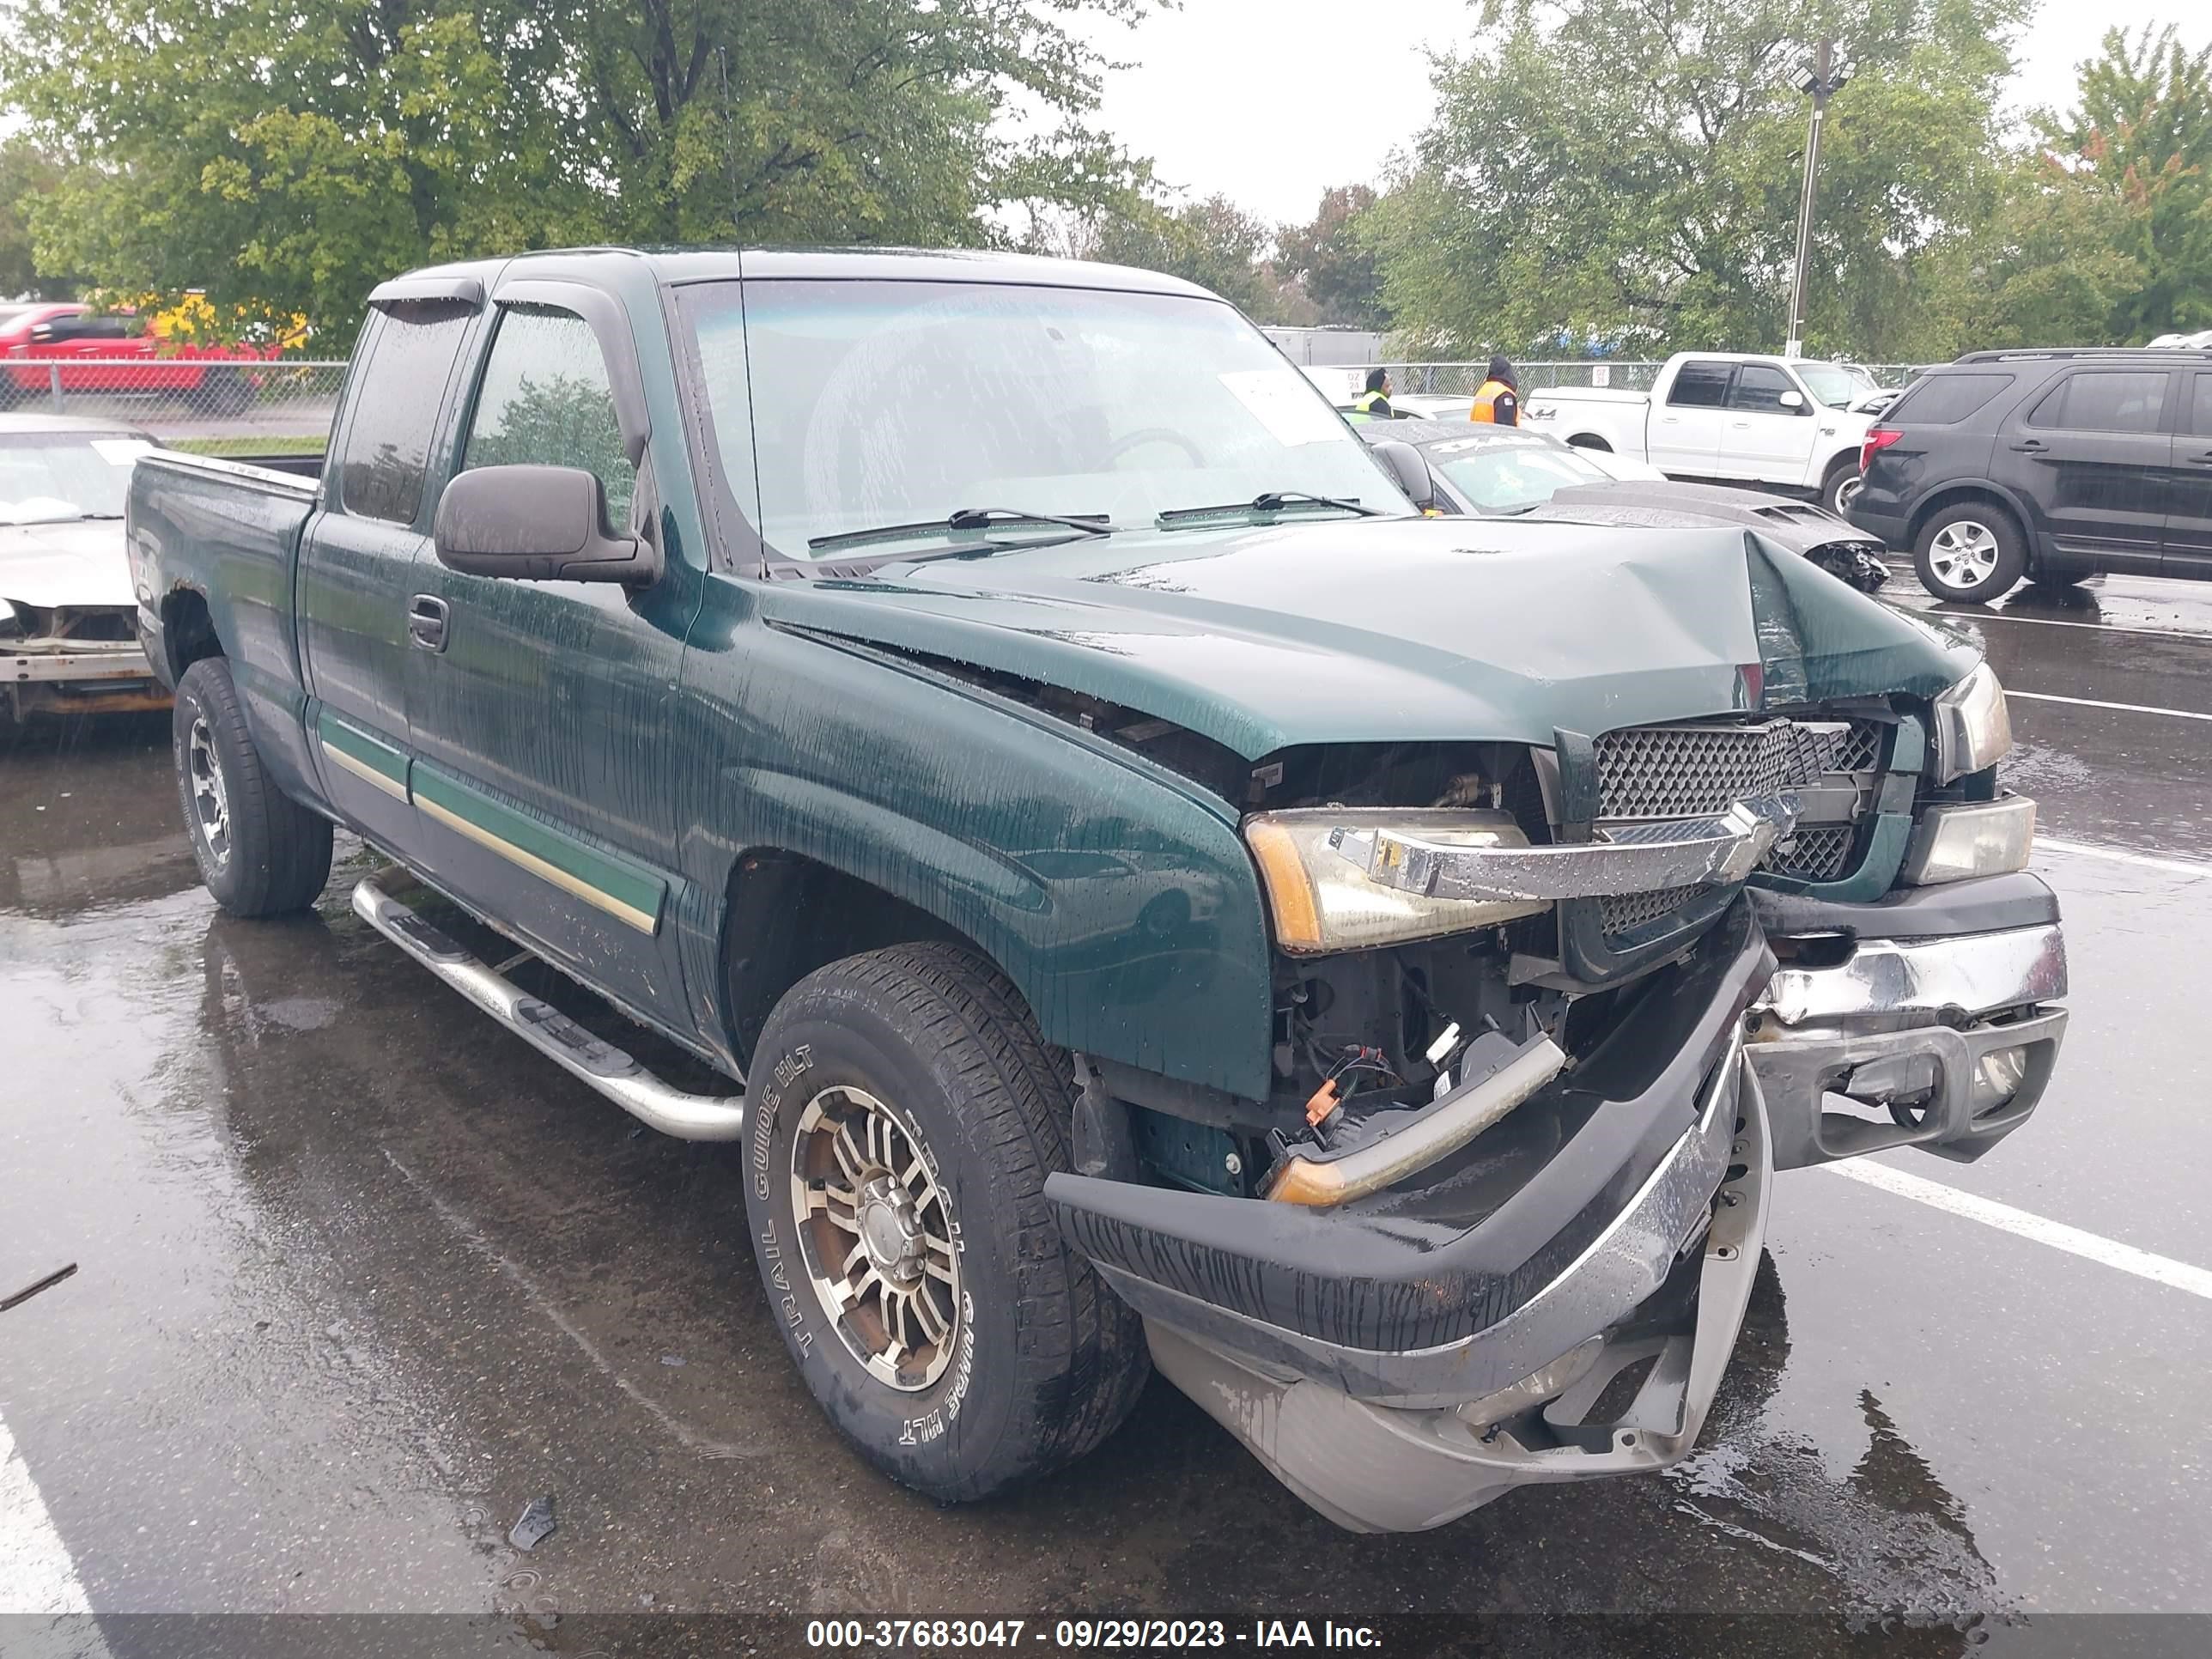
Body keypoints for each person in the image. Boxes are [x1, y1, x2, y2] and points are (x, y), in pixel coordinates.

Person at [1468, 356, 1519, 425]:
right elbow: (1506, 429)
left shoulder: (1484, 389)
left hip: (1478, 434)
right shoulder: (1504, 394)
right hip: (1492, 434)